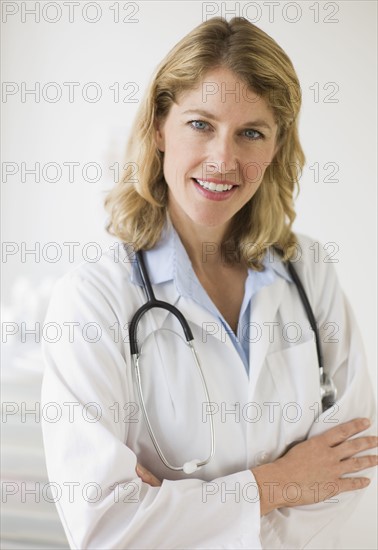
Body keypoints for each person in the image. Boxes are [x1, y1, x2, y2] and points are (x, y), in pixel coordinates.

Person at [41, 16, 377, 549]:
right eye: (201, 124)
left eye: (251, 133)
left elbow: (354, 461)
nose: (223, 159)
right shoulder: (94, 297)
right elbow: (105, 525)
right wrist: (282, 483)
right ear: (159, 126)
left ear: (274, 147)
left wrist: (176, 512)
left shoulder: (310, 271)